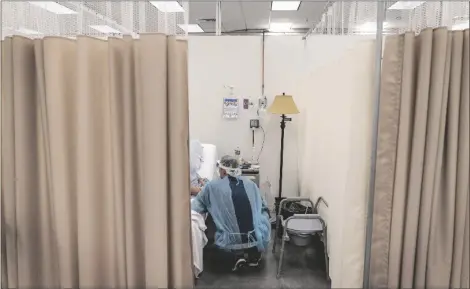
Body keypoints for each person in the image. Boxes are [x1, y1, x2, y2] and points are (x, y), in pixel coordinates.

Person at [191, 155, 271, 272]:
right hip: (255, 236)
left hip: (228, 240)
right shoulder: (251, 184)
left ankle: (238, 255)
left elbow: (197, 207)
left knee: (214, 216)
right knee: (261, 213)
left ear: (223, 170)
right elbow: (263, 206)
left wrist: (210, 198)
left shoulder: (212, 187)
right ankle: (254, 252)